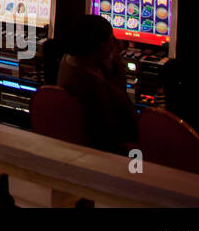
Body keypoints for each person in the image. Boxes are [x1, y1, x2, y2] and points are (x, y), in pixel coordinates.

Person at [56, 15, 139, 154]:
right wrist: (117, 66)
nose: (115, 43)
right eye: (112, 39)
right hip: (104, 150)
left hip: (76, 144)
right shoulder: (91, 81)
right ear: (102, 45)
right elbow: (125, 121)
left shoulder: (68, 61)